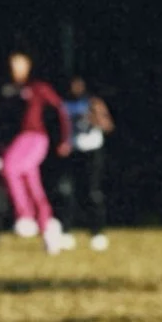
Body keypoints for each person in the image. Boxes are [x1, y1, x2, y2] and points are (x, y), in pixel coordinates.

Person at [0, 52, 72, 254]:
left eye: (19, 65)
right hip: (15, 142)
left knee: (10, 169)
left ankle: (25, 215)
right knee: (30, 180)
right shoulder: (6, 91)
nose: (15, 69)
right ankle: (49, 227)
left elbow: (60, 109)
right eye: (12, 65)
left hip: (34, 138)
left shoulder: (37, 88)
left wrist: (64, 138)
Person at [60, 77, 115, 249]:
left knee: (93, 193)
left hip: (92, 151)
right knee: (67, 192)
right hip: (73, 151)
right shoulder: (64, 104)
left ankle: (97, 232)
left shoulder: (93, 102)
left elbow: (108, 126)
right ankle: (66, 231)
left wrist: (96, 117)